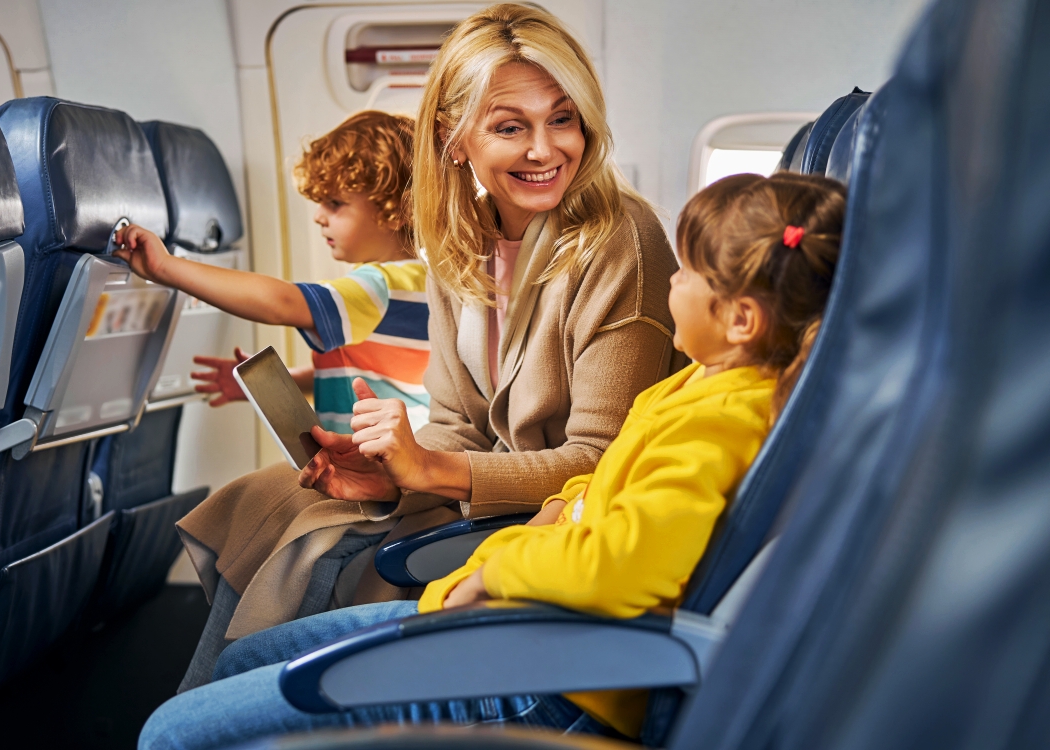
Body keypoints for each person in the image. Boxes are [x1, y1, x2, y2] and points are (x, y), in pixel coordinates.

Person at [138, 170, 848, 750]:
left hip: (554, 678)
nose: (671, 283)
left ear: (742, 321)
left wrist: (500, 567)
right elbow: (609, 483)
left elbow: (627, 567)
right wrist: (563, 506)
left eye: (689, 275)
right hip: (527, 627)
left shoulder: (725, 419)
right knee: (242, 660)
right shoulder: (693, 383)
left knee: (173, 734)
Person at [170, 3, 682, 691]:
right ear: (455, 138)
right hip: (491, 493)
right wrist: (390, 470)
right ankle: (219, 707)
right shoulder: (458, 238)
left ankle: (243, 710)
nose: (546, 149)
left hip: (555, 518)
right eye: (510, 127)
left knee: (319, 541)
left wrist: (429, 470)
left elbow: (600, 460)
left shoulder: (621, 237)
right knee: (273, 494)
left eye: (563, 118)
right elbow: (460, 423)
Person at [113, 110, 427, 433]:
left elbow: (281, 302)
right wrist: (266, 385)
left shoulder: (377, 287)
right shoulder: (418, 281)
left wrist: (164, 267)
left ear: (395, 211)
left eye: (334, 203)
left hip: (375, 467)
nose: (319, 216)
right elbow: (363, 374)